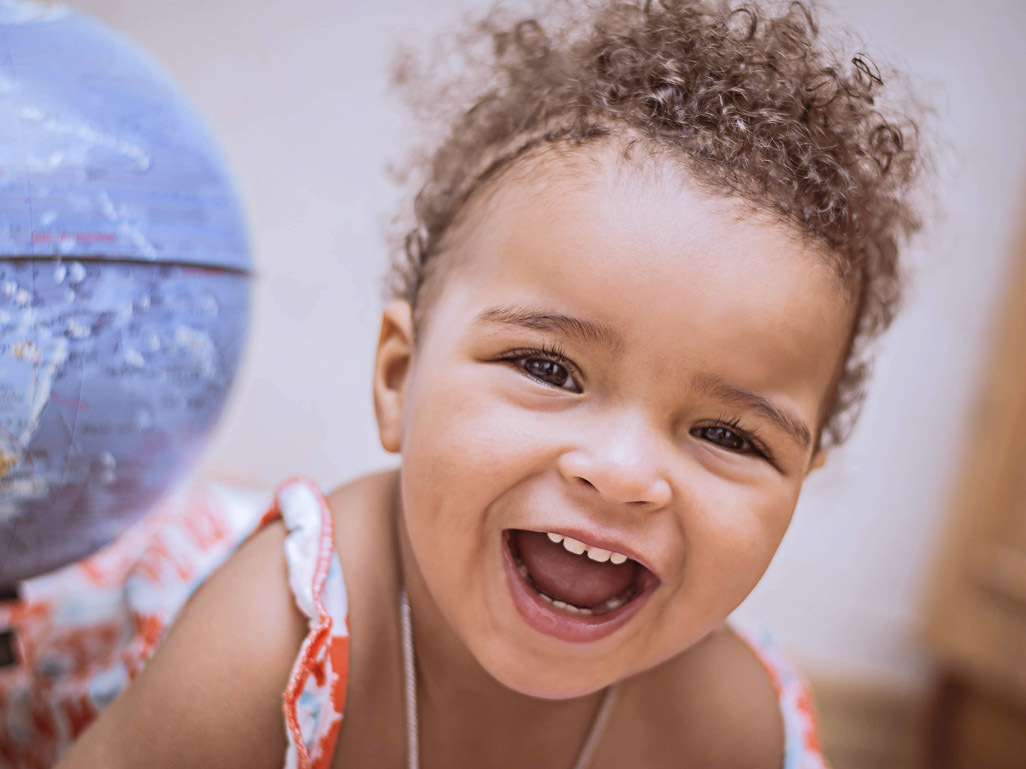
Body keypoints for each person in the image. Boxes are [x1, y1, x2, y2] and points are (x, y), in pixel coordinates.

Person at [50, 0, 924, 766]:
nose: (619, 472)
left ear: (800, 480)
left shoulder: (726, 725)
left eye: (729, 435)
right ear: (399, 377)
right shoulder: (269, 643)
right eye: (550, 369)